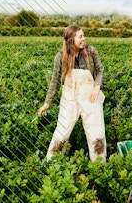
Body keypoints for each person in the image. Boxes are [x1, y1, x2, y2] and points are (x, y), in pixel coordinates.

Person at [38, 25, 107, 162]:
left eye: (83, 35)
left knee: (96, 133)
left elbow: (100, 70)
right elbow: (55, 81)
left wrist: (97, 86)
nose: (84, 39)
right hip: (69, 99)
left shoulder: (91, 51)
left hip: (90, 98)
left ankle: (99, 165)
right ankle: (52, 164)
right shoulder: (60, 57)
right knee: (62, 132)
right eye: (80, 36)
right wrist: (47, 104)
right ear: (71, 40)